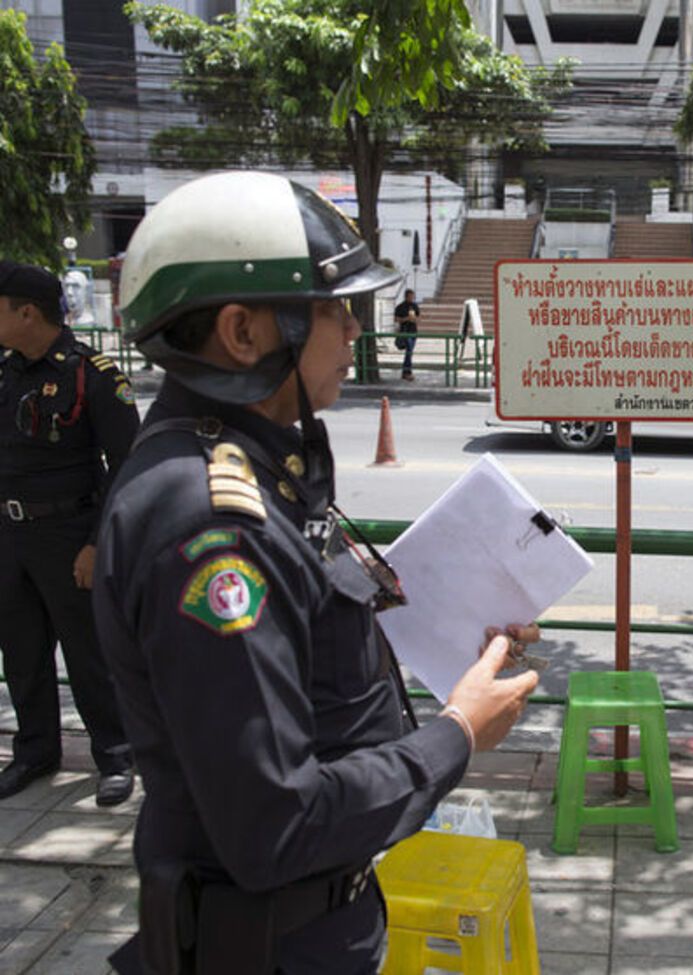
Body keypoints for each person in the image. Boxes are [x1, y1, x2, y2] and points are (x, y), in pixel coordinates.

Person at [95, 171, 541, 974]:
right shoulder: (210, 526)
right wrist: (457, 734)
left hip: (310, 925)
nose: (354, 334)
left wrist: (449, 632)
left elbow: (310, 656)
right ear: (243, 332)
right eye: (337, 310)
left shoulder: (261, 469)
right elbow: (276, 823)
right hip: (268, 946)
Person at [0, 261, 138, 806]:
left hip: (70, 535)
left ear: (26, 312)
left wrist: (97, 543)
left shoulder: (94, 373)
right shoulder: (7, 373)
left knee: (89, 654)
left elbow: (129, 464)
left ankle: (115, 755)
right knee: (22, 652)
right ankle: (35, 752)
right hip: (10, 538)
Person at [394, 288, 419, 380]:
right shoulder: (400, 307)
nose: (412, 298)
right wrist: (406, 318)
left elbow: (418, 318)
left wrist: (414, 319)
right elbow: (396, 319)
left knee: (409, 352)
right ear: (406, 297)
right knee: (409, 350)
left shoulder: (415, 306)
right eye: (411, 296)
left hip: (413, 331)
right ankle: (407, 372)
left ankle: (405, 371)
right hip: (405, 331)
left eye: (413, 296)